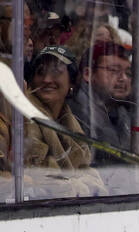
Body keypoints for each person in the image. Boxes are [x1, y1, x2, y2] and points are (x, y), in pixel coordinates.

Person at [20, 45, 105, 198]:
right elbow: (40, 179)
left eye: (56, 72)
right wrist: (81, 187)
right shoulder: (24, 119)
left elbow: (90, 174)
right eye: (40, 72)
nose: (46, 79)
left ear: (72, 82)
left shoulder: (69, 120)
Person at [69, 41, 134, 170]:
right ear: (88, 74)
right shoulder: (75, 113)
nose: (124, 78)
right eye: (114, 70)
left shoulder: (121, 112)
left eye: (128, 72)